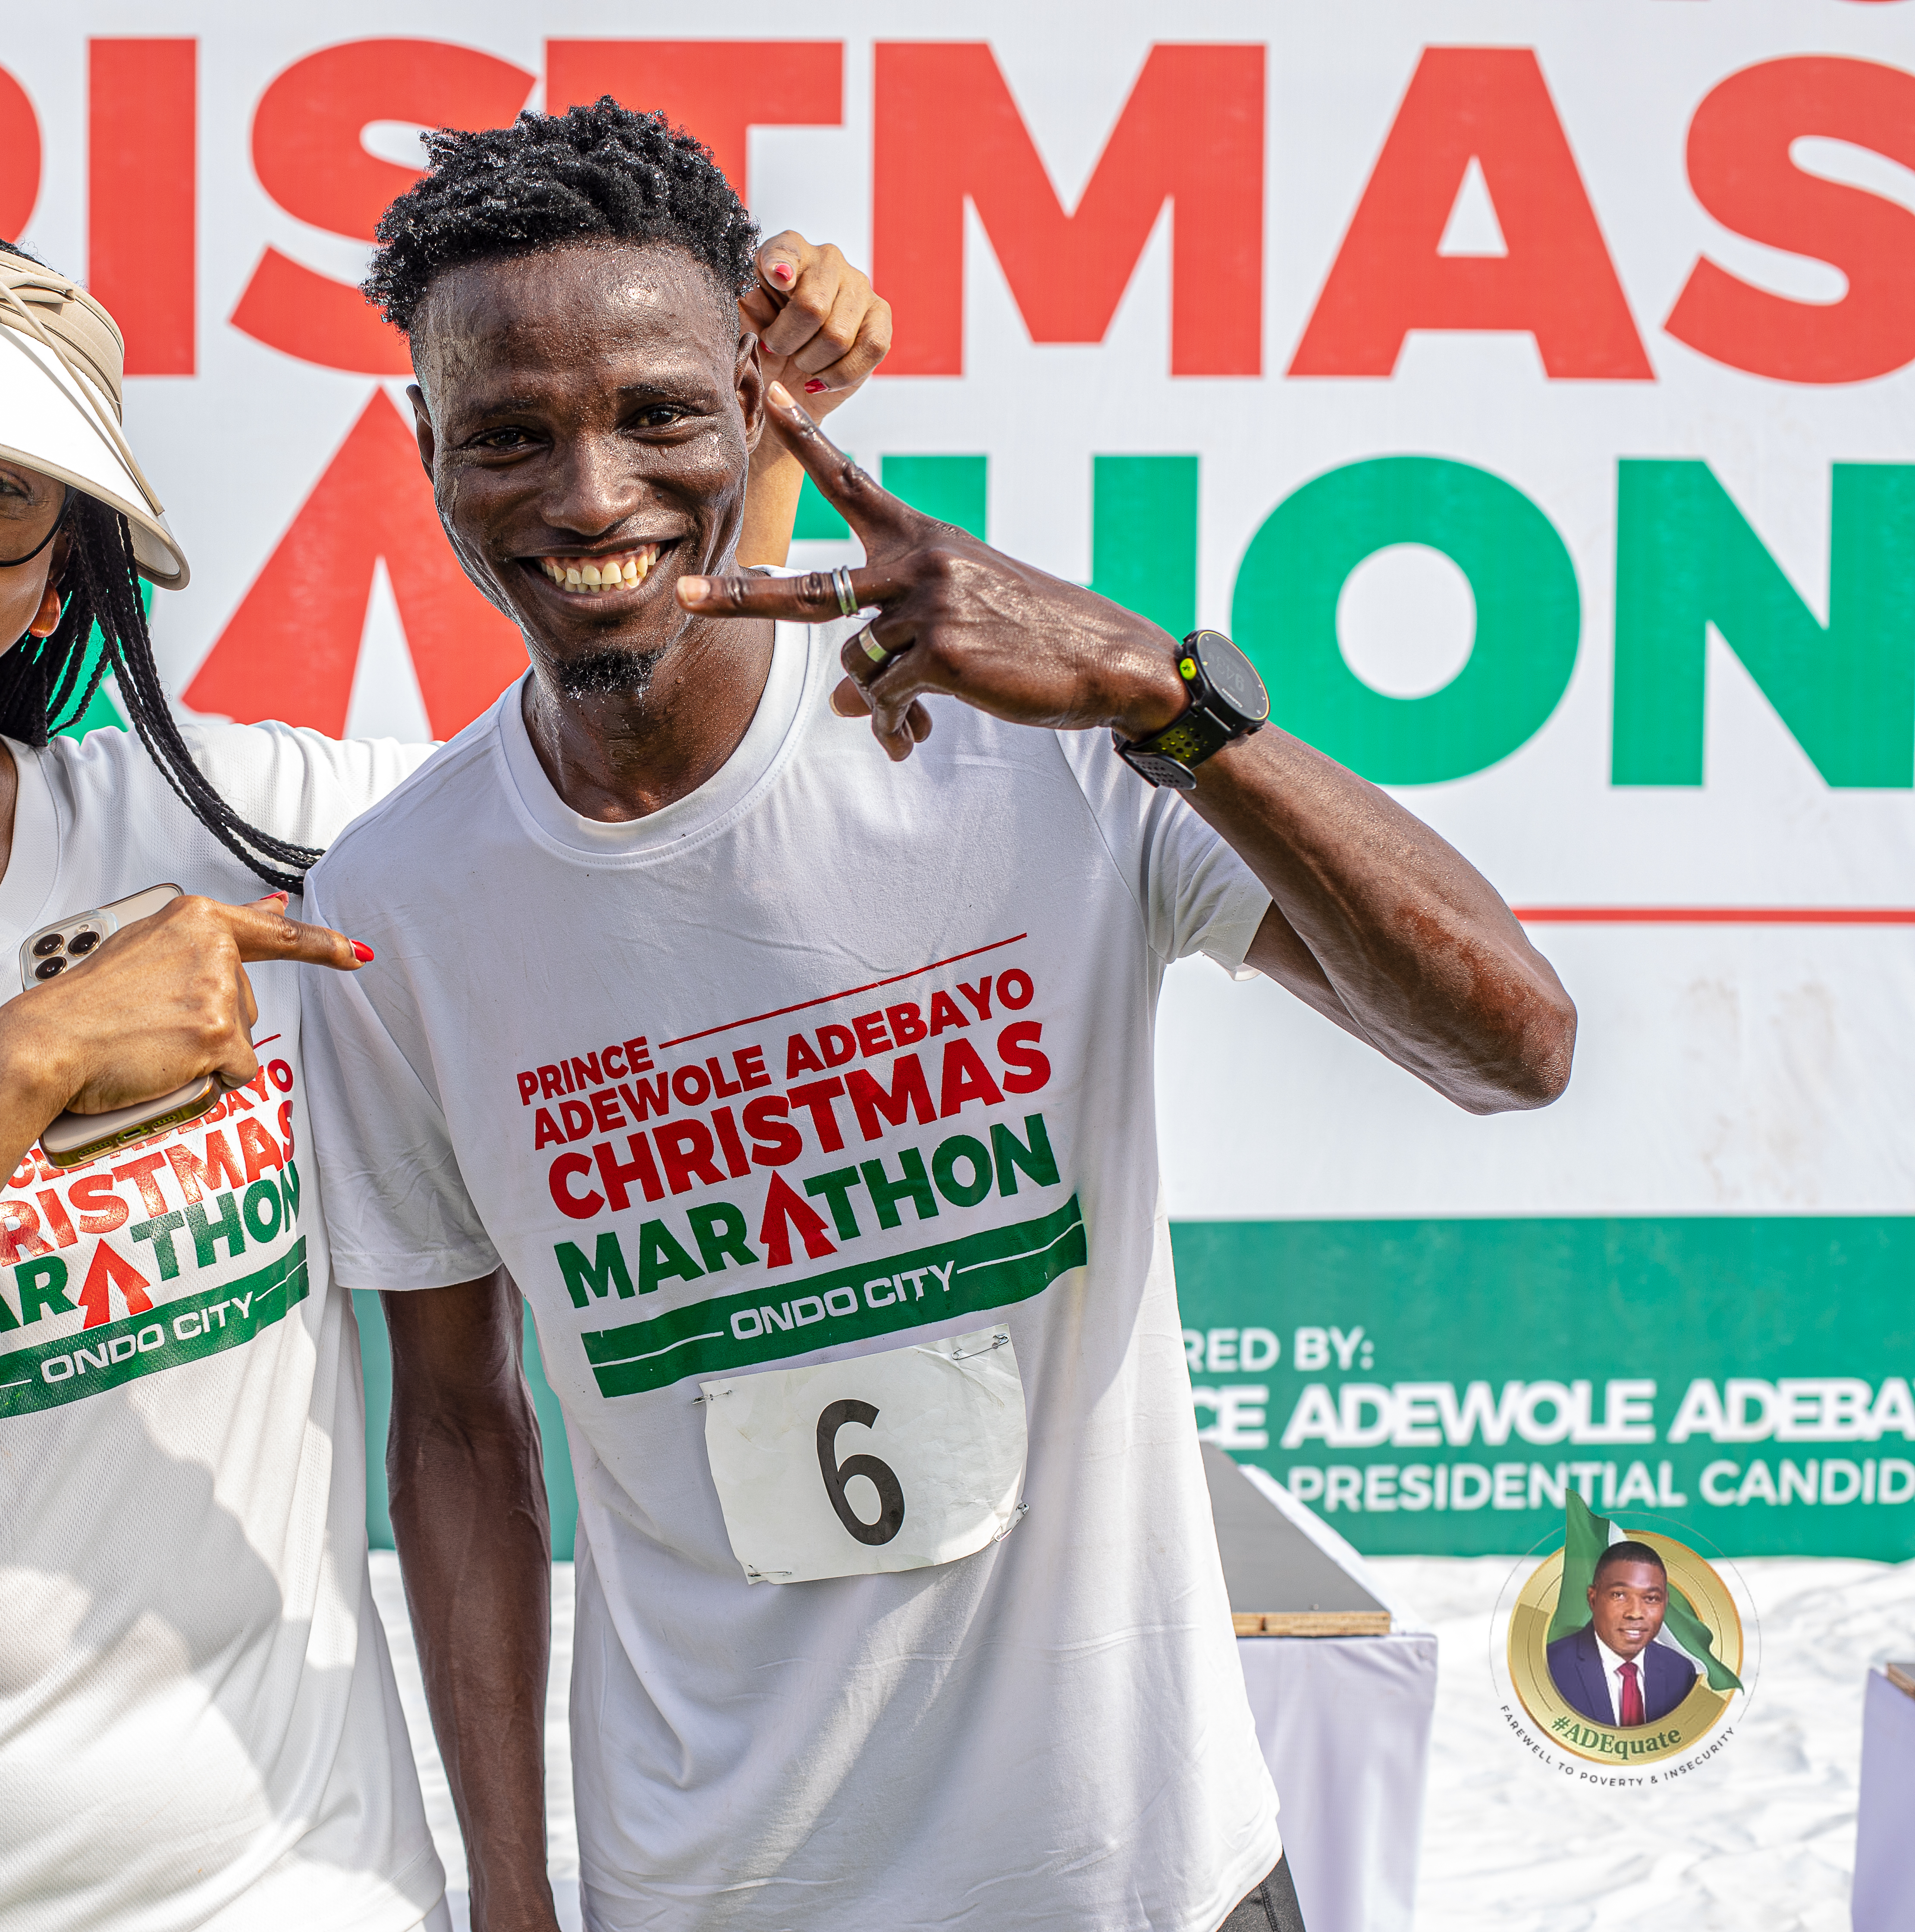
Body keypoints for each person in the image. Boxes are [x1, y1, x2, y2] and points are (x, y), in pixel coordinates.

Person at [0, 214, 888, 1930]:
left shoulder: (248, 823)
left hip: (301, 1891)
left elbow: (623, 796)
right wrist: (34, 1054)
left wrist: (759, 429)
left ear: (66, 563)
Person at [296, 102, 1577, 1932]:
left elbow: (1509, 1040)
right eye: (505, 433)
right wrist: (510, 1897)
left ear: (756, 406)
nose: (585, 495)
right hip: (712, 1891)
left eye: (656, 412)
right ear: (425, 451)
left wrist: (1158, 694)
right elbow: (451, 1426)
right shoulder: (393, 903)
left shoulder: (1046, 742)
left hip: (1145, 1881)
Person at [1550, 1541, 1698, 1728]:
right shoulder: (1549, 1668)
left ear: (1665, 1602)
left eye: (1651, 1599)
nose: (1635, 1613)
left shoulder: (1680, 1672)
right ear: (1593, 1598)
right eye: (1619, 1595)